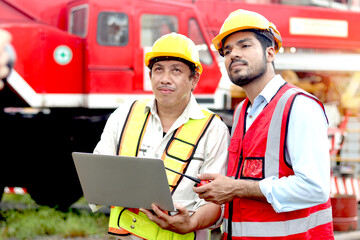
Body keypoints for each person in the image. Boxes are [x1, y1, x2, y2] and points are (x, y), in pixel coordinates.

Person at [194, 9, 334, 239]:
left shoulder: (299, 106)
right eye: (227, 51)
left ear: (270, 53)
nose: (233, 55)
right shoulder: (241, 112)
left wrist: (235, 188)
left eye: (244, 45)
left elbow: (314, 188)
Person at [93, 32, 230, 240]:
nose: (165, 79)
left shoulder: (214, 129)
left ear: (194, 79)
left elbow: (217, 203)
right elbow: (98, 174)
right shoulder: (125, 115)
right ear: (150, 76)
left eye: (176, 70)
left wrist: (191, 223)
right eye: (158, 70)